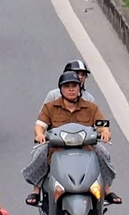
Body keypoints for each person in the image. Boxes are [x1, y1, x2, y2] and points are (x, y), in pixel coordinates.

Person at [24, 69, 118, 202]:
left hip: (86, 148)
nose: (71, 90)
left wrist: (105, 132)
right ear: (61, 89)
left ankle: (107, 190)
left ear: (79, 87)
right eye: (67, 86)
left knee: (103, 153)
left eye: (74, 86)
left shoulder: (91, 107)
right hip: (56, 148)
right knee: (39, 152)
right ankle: (36, 190)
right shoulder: (50, 107)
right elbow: (39, 125)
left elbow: (102, 125)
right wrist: (39, 134)